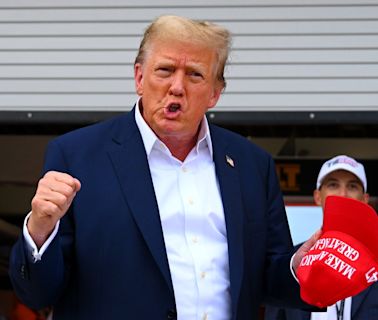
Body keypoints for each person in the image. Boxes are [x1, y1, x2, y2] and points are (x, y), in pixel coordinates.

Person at [9, 15, 316, 320]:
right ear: (139, 78)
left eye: (195, 75)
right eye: (165, 70)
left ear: (215, 93)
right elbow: (37, 293)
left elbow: (266, 278)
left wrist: (301, 267)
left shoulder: (252, 165)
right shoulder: (77, 156)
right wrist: (39, 229)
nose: (177, 87)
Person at [264, 155, 378, 320]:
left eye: (352, 186)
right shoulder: (293, 261)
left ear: (365, 199)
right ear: (317, 196)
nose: (343, 194)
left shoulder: (375, 262)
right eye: (333, 185)